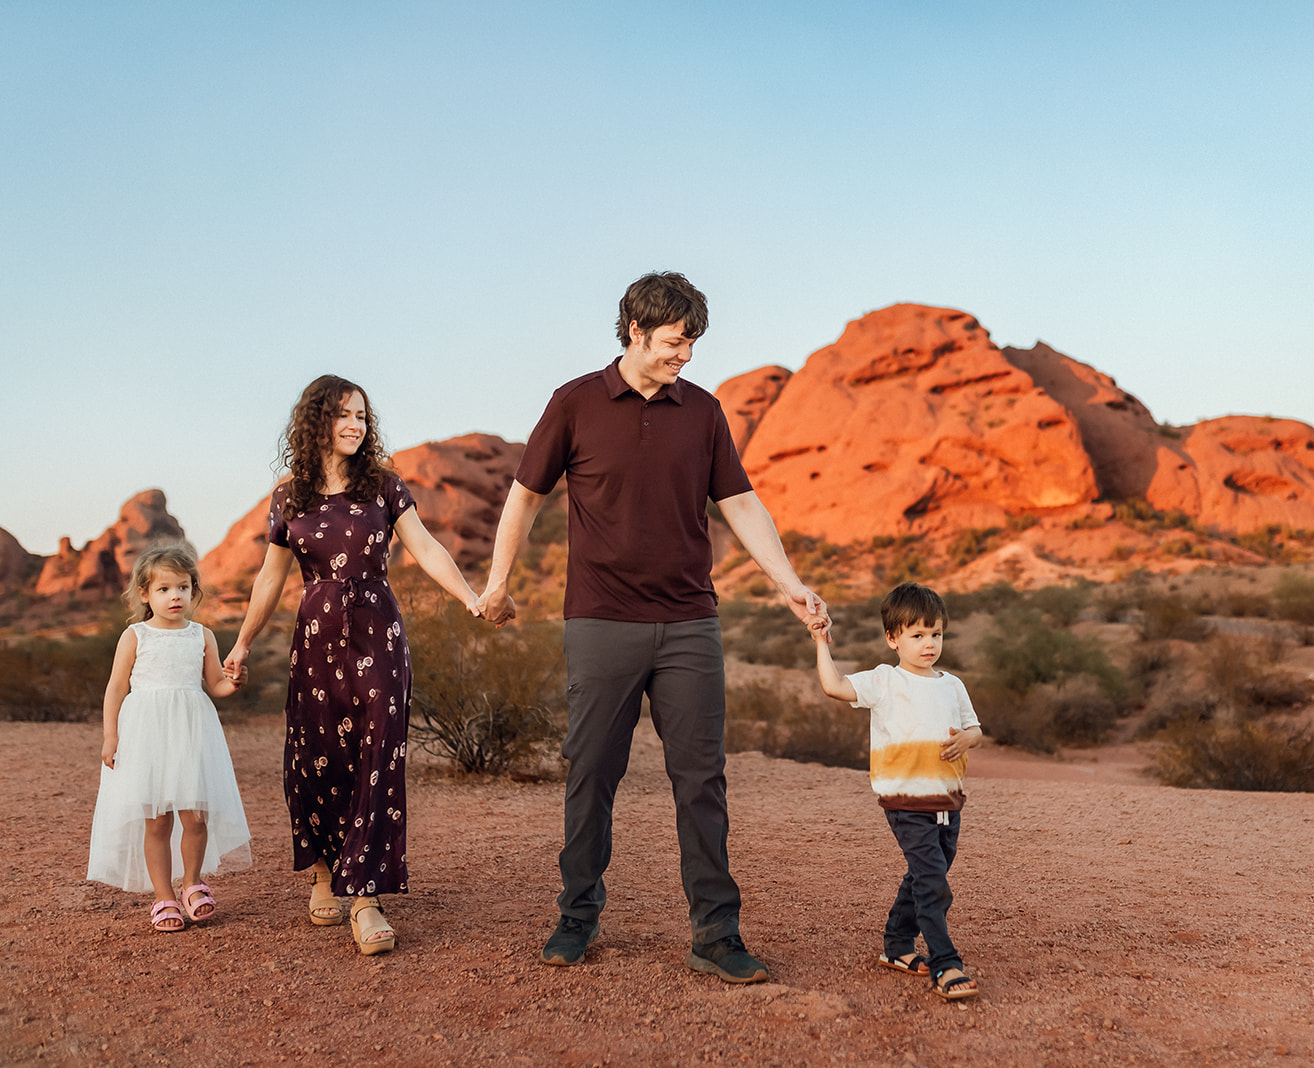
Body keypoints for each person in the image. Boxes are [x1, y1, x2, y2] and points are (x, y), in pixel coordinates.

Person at [478, 271, 826, 983]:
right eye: (675, 342)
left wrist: (788, 583)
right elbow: (524, 499)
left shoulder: (702, 412)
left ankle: (716, 934)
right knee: (591, 776)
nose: (686, 357)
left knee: (701, 779)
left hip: (690, 620)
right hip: (601, 619)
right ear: (635, 331)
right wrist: (499, 580)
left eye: (692, 343)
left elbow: (742, 504)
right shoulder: (575, 402)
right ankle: (577, 917)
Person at [223, 375, 481, 956]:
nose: (355, 426)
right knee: (316, 755)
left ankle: (364, 895)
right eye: (343, 414)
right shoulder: (290, 496)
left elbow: (427, 547)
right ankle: (322, 870)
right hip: (315, 636)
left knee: (379, 753)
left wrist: (470, 597)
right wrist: (240, 644)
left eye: (362, 416)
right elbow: (270, 578)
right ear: (316, 421)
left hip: (378, 632)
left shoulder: (384, 487)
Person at [811, 581, 983, 1000]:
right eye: (917, 635)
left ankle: (897, 946)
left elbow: (975, 730)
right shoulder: (884, 681)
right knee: (933, 883)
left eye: (936, 634)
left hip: (948, 800)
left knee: (928, 873)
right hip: (906, 802)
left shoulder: (952, 684)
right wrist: (820, 641)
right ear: (893, 638)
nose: (929, 644)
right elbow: (834, 687)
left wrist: (967, 739)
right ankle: (945, 963)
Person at [88, 543, 253, 932]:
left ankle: (192, 884)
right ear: (144, 594)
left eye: (182, 587)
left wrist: (234, 683)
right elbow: (115, 688)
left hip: (190, 731)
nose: (174, 596)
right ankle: (164, 896)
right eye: (163, 589)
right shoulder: (135, 636)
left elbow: (214, 683)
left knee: (196, 817)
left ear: (193, 590)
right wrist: (110, 736)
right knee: (157, 822)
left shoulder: (202, 635)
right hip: (146, 734)